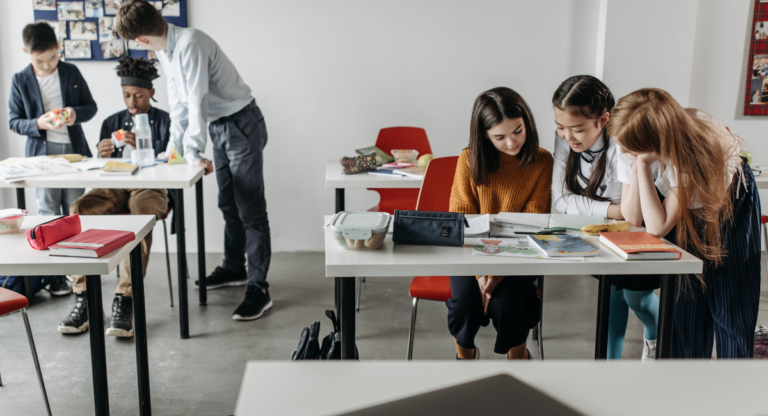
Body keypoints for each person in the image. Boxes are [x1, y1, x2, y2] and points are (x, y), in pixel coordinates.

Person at [117, 0, 272, 321]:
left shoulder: (191, 43)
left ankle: (259, 288)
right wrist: (173, 151)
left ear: (141, 40)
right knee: (228, 203)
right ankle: (234, 268)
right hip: (219, 127)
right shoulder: (165, 49)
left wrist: (192, 151)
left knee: (251, 210)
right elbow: (179, 105)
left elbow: (196, 99)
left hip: (241, 123)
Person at [610, 88, 761, 359]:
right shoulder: (630, 140)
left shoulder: (692, 150)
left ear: (656, 144)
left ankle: (736, 383)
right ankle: (685, 382)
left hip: (729, 204)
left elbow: (658, 227)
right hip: (682, 208)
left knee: (730, 303)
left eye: (630, 149)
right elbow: (632, 217)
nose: (622, 151)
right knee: (686, 304)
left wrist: (642, 165)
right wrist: (638, 164)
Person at [59, 57, 171, 337]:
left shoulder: (167, 121)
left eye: (138, 95)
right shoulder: (111, 121)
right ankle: (84, 296)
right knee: (80, 208)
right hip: (115, 184)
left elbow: (175, 161)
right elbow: (99, 169)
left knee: (141, 219)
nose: (132, 102)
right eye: (126, 96)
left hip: (151, 186)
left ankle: (126, 299)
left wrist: (147, 147)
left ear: (151, 93)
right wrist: (102, 153)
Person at [551, 75, 660, 360]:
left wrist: (611, 209)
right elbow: (561, 201)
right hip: (604, 231)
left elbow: (633, 214)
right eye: (560, 127)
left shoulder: (624, 143)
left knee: (637, 298)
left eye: (576, 129)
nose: (567, 136)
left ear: (603, 120)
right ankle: (609, 367)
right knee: (611, 298)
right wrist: (613, 210)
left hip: (645, 227)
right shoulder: (566, 140)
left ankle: (658, 337)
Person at [447, 87, 552, 360]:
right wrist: (482, 275)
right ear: (484, 134)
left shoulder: (542, 161)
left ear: (526, 122)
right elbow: (462, 223)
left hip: (521, 251)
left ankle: (519, 357)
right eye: (500, 137)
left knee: (506, 305)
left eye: (518, 131)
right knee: (464, 306)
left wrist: (495, 276)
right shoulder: (468, 161)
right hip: (469, 253)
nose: (511, 142)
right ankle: (464, 356)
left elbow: (532, 223)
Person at [9, 22, 97, 298]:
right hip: (41, 156)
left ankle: (77, 271)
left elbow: (90, 107)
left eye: (52, 58)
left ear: (59, 48)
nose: (47, 66)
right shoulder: (20, 79)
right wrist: (39, 123)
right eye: (39, 60)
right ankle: (55, 275)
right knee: (48, 212)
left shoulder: (71, 71)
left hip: (73, 153)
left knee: (73, 211)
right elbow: (14, 121)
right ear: (26, 52)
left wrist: (73, 113)